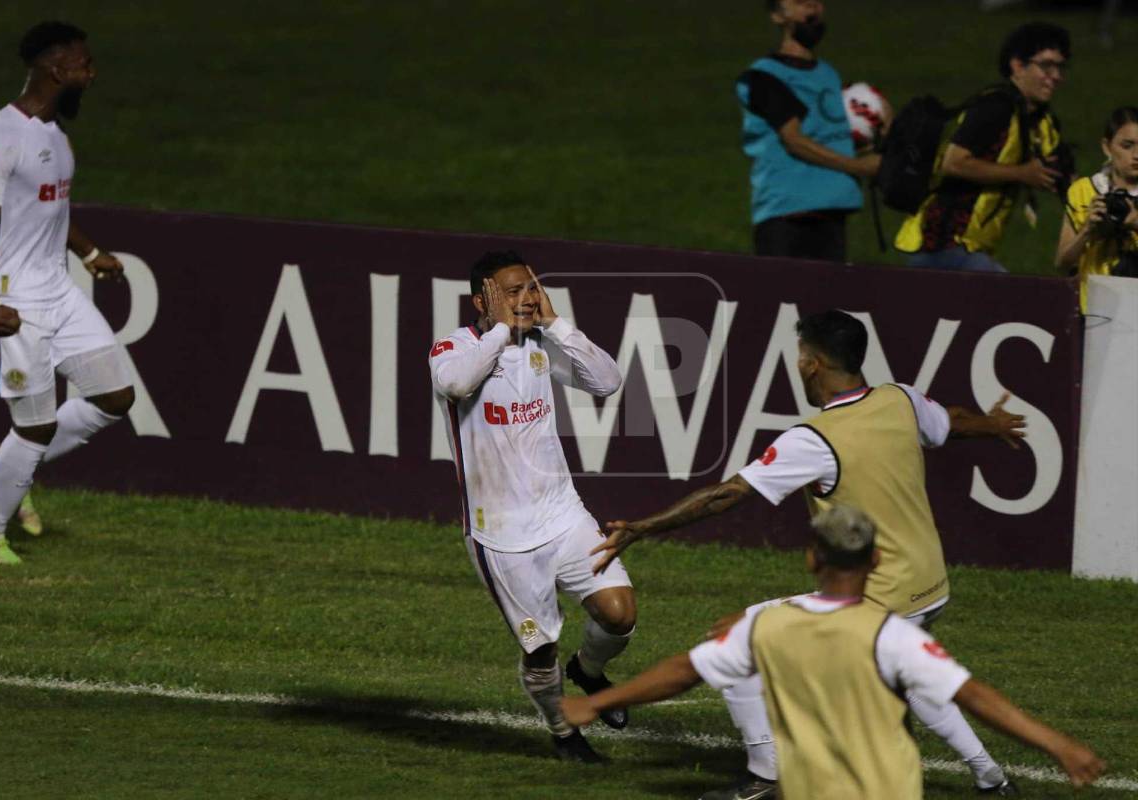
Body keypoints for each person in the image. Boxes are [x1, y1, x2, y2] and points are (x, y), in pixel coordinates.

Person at [592, 310, 1025, 798]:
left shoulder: (814, 440)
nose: (797, 365)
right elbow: (951, 422)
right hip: (930, 584)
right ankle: (993, 779)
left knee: (740, 640)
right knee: (909, 670)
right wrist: (993, 424)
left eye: (800, 357)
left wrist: (643, 528)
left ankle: (765, 776)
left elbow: (727, 494)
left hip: (880, 594)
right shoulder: (899, 398)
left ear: (812, 365)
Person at [563, 505, 1107, 799]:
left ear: (809, 558)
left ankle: (765, 775)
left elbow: (683, 671)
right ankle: (993, 779)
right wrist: (1059, 746)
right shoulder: (894, 636)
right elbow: (976, 696)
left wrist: (594, 703)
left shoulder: (766, 628)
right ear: (874, 564)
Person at [429, 250, 634, 763]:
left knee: (620, 616)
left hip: (564, 514)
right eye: (511, 291)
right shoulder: (454, 347)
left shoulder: (543, 344)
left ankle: (586, 670)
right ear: (482, 300)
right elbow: (455, 384)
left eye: (530, 288)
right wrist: (502, 330)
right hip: (501, 535)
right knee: (539, 651)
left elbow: (607, 381)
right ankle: (563, 731)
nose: (525, 299)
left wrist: (557, 324)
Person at [0, 21, 135, 565]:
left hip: (56, 291)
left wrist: (88, 253)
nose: (92, 72)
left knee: (115, 397)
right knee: (34, 425)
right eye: (84, 64)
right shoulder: (1, 135)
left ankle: (12, 464)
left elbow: (51, 210)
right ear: (56, 69)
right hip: (12, 298)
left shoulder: (56, 136)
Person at [896, 22, 1072, 272]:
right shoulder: (995, 107)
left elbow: (1067, 179)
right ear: (1017, 65)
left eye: (1060, 67)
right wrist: (1022, 173)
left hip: (973, 248)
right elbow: (953, 162)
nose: (1055, 76)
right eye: (1045, 66)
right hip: (943, 243)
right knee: (1010, 301)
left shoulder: (1043, 122)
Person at [737, 0, 881, 262]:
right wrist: (859, 167)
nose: (813, 8)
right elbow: (795, 141)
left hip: (832, 211)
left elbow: (831, 134)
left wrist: (877, 139)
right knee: (784, 302)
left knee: (828, 301)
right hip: (787, 216)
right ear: (777, 15)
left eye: (817, 2)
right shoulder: (764, 76)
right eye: (801, 2)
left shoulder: (828, 74)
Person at [1056, 106, 1138, 313]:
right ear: (1107, 147)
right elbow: (1062, 263)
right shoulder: (1083, 191)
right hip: (1095, 311)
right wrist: (1087, 230)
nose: (1136, 155)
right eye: (1127, 146)